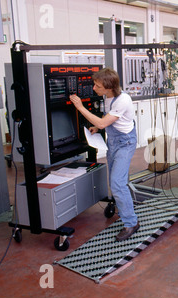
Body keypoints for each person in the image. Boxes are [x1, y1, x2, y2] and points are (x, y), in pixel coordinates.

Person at [69, 67, 139, 242]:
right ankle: (127, 208)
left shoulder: (123, 100)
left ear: (108, 87)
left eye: (97, 86)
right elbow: (105, 121)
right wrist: (99, 127)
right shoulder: (109, 97)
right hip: (113, 142)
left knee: (117, 183)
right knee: (118, 181)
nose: (94, 88)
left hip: (125, 143)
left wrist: (79, 106)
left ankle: (131, 223)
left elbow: (101, 122)